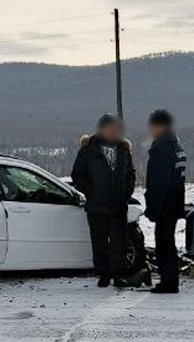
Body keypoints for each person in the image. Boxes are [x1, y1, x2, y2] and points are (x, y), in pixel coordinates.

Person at [70, 113, 142, 288]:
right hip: (97, 206)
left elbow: (131, 174)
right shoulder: (89, 150)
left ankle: (118, 275)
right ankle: (103, 275)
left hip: (118, 205)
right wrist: (92, 192)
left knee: (119, 242)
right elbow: (77, 175)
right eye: (110, 128)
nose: (114, 131)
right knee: (99, 243)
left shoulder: (123, 150)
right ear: (102, 129)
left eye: (116, 128)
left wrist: (126, 192)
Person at [145, 109, 187, 294]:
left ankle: (168, 282)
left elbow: (159, 182)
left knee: (164, 244)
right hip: (174, 203)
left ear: (160, 126)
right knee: (168, 243)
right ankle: (170, 279)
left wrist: (153, 208)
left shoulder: (162, 149)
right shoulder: (177, 147)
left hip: (165, 205)